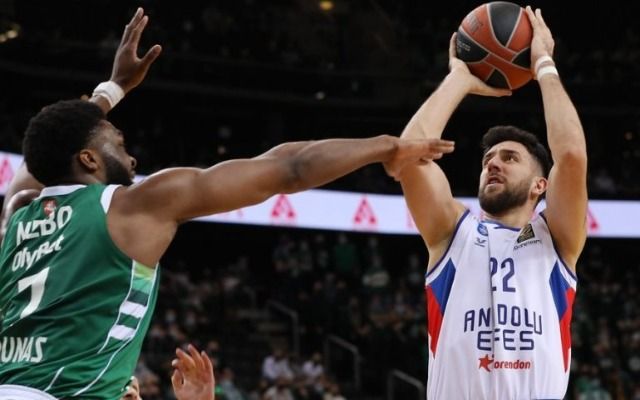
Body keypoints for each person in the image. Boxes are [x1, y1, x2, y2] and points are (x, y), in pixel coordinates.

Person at [0, 8, 455, 400]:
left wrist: (111, 91)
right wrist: (386, 147)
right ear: (87, 158)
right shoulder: (133, 205)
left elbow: (42, 155)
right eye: (117, 143)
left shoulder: (19, 210)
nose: (131, 156)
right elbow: (289, 168)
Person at [398, 7, 587, 399]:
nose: (493, 164)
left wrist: (543, 64)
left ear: (540, 185)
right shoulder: (452, 233)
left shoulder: (557, 239)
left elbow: (570, 156)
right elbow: (408, 156)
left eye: (509, 158)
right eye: (488, 160)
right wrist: (459, 79)